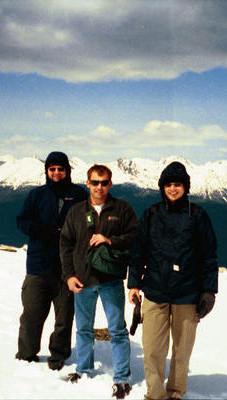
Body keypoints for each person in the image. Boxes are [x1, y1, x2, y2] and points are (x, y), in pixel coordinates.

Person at [127, 161, 218, 400]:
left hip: (187, 294)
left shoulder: (197, 215)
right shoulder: (152, 214)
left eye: (178, 184)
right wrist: (134, 284)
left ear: (185, 187)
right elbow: (138, 252)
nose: (173, 189)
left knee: (182, 350)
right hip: (155, 290)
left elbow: (209, 256)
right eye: (169, 184)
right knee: (152, 349)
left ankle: (176, 393)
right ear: (162, 187)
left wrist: (209, 291)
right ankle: (155, 395)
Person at [60, 164, 139, 399]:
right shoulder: (76, 211)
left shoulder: (122, 209)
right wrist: (69, 276)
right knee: (84, 328)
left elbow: (135, 237)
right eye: (95, 182)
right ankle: (83, 370)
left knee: (117, 330)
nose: (99, 187)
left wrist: (110, 240)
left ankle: (122, 378)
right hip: (82, 280)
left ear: (110, 184)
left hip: (110, 279)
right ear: (87, 183)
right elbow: (65, 245)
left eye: (104, 183)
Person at [15, 151, 87, 371]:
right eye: (52, 169)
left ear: (67, 171)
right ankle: (26, 355)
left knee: (64, 318)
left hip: (68, 270)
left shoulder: (79, 194)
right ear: (47, 171)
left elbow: (88, 221)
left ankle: (58, 357)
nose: (56, 173)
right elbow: (22, 221)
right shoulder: (37, 195)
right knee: (32, 316)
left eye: (60, 169)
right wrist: (40, 230)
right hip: (38, 267)